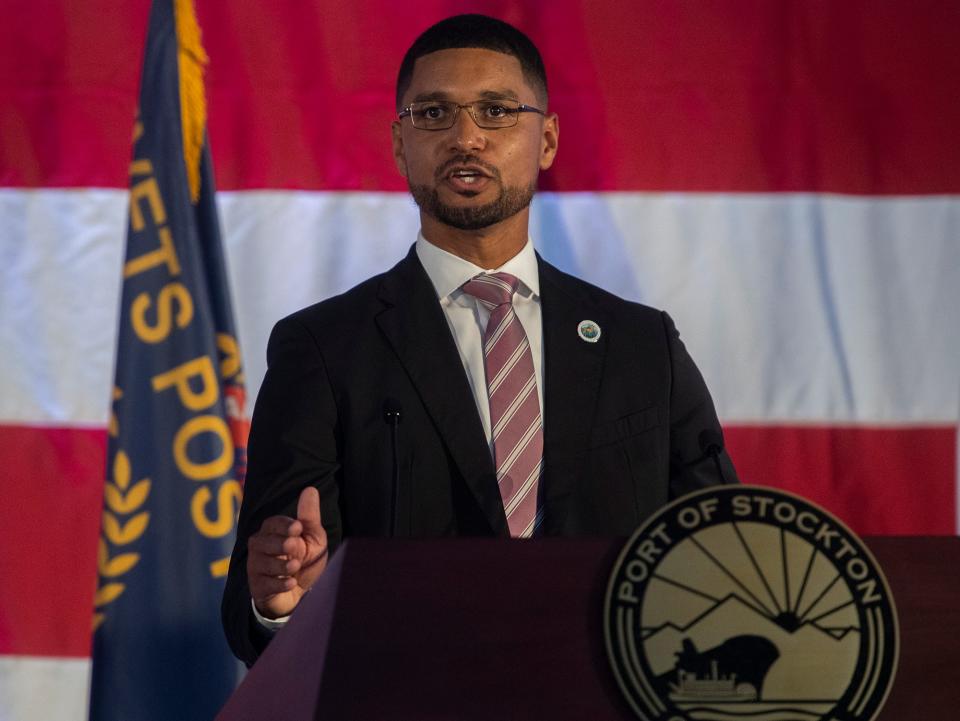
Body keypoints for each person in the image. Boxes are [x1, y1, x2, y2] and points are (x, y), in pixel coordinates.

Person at [222, 13, 738, 666]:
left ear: (546, 138)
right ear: (400, 143)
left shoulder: (643, 346)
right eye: (434, 113)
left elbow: (723, 543)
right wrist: (282, 599)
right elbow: (260, 597)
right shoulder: (322, 349)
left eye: (495, 111)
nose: (466, 137)